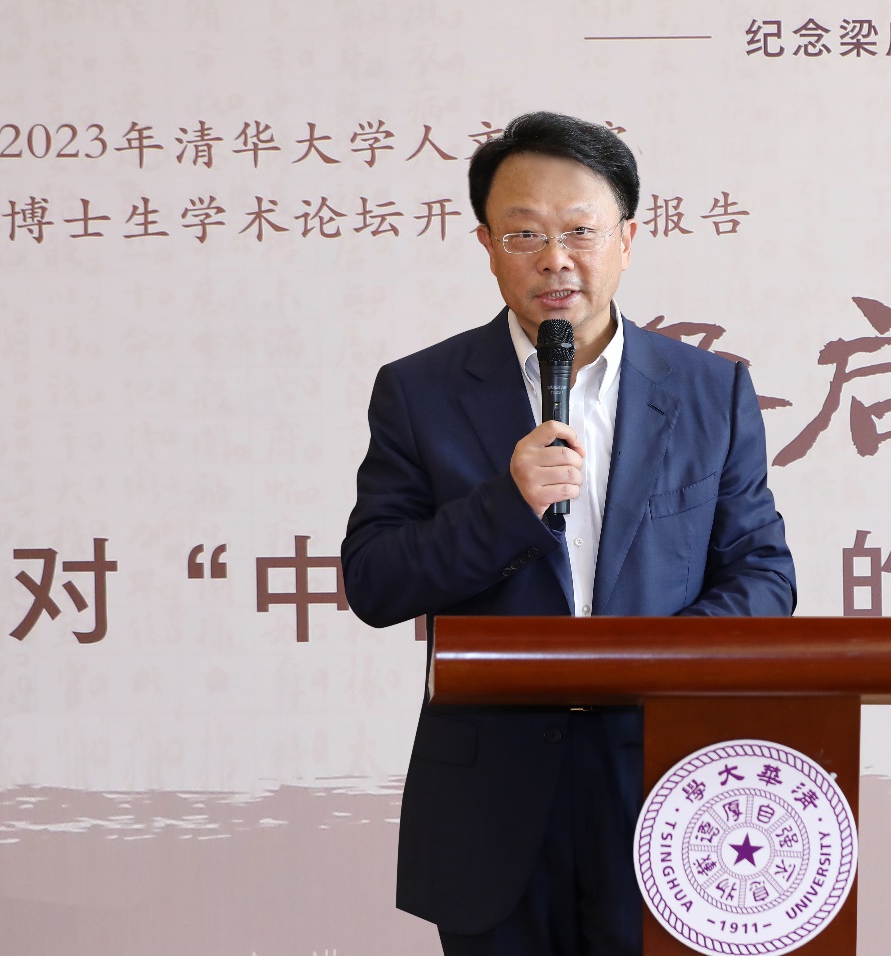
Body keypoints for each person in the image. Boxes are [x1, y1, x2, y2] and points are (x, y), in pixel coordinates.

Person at [341, 111, 796, 955]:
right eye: (525, 234)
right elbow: (374, 579)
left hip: (668, 778)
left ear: (627, 238)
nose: (555, 258)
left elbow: (763, 574)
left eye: (580, 231)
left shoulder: (712, 392)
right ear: (486, 244)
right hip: (493, 798)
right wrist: (504, 506)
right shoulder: (421, 391)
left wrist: (660, 661)